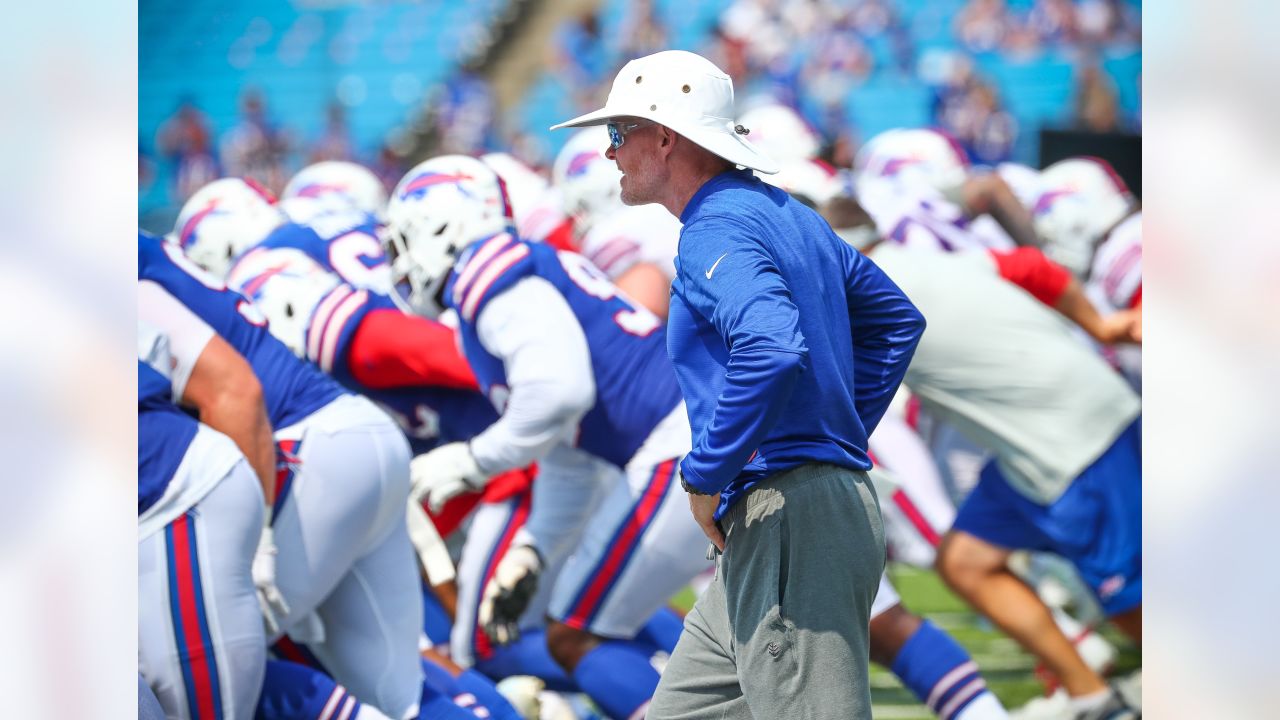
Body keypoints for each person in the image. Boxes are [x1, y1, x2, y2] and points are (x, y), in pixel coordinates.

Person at [552, 50, 926, 719]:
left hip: (786, 515)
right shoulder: (784, 211)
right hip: (794, 510)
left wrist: (706, 473)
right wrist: (832, 440)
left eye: (618, 134)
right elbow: (895, 320)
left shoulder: (713, 227)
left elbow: (773, 346)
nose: (609, 154)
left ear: (664, 137)